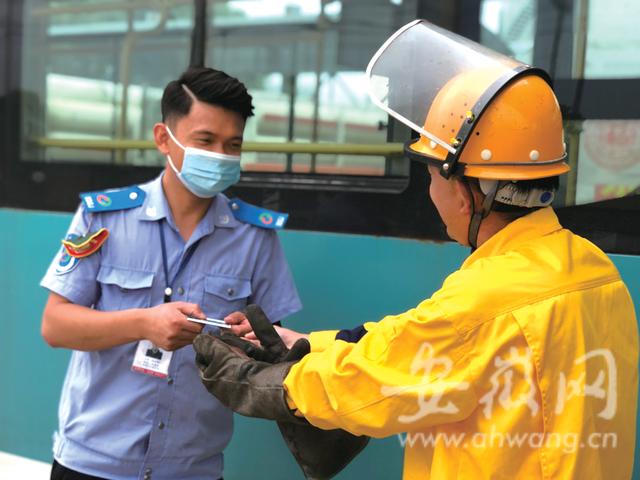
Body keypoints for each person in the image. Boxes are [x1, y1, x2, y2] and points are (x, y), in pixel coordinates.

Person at [193, 20, 638, 479]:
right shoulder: (594, 271)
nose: (431, 194)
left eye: (432, 177)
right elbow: (412, 342)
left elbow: (370, 384)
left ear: (467, 193)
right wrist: (307, 344)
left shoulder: (486, 302)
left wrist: (258, 383)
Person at [40, 66, 302, 480]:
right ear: (164, 137)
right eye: (206, 140)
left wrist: (246, 342)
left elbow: (273, 347)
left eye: (233, 145)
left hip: (192, 468)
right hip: (92, 463)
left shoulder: (255, 236)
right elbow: (56, 326)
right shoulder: (105, 217)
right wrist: (144, 322)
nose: (220, 155)